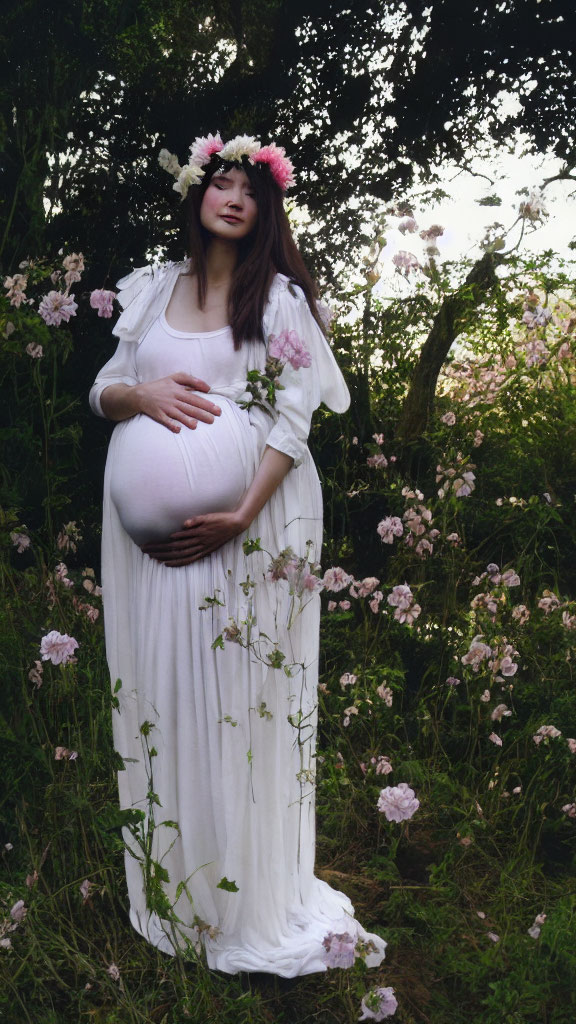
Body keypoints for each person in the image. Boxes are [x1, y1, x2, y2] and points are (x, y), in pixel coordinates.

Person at [89, 132, 387, 976]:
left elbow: (294, 423)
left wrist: (238, 516)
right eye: (219, 182)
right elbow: (100, 390)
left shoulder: (278, 302)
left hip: (246, 537)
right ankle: (182, 888)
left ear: (264, 212)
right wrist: (135, 393)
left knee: (233, 699)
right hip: (150, 557)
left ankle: (241, 899)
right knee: (169, 694)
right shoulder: (154, 290)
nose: (232, 197)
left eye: (249, 190)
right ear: (196, 195)